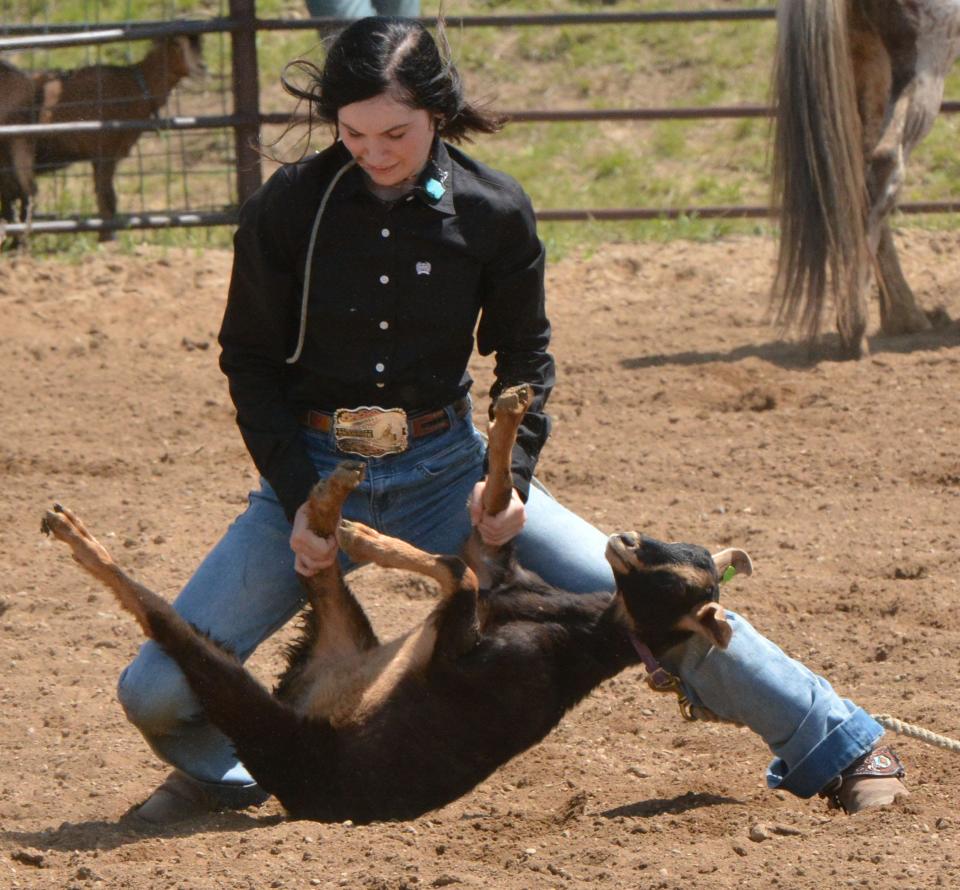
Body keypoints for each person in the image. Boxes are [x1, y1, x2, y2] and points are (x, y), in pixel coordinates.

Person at [117, 16, 908, 825]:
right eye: (352, 133)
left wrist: (512, 480)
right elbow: (247, 362)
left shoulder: (493, 210)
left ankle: (841, 742)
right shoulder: (288, 210)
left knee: (649, 603)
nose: (374, 151)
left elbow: (526, 358)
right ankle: (234, 772)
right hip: (316, 478)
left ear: (437, 111)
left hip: (449, 475)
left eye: (396, 132)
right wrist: (296, 498)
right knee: (151, 692)